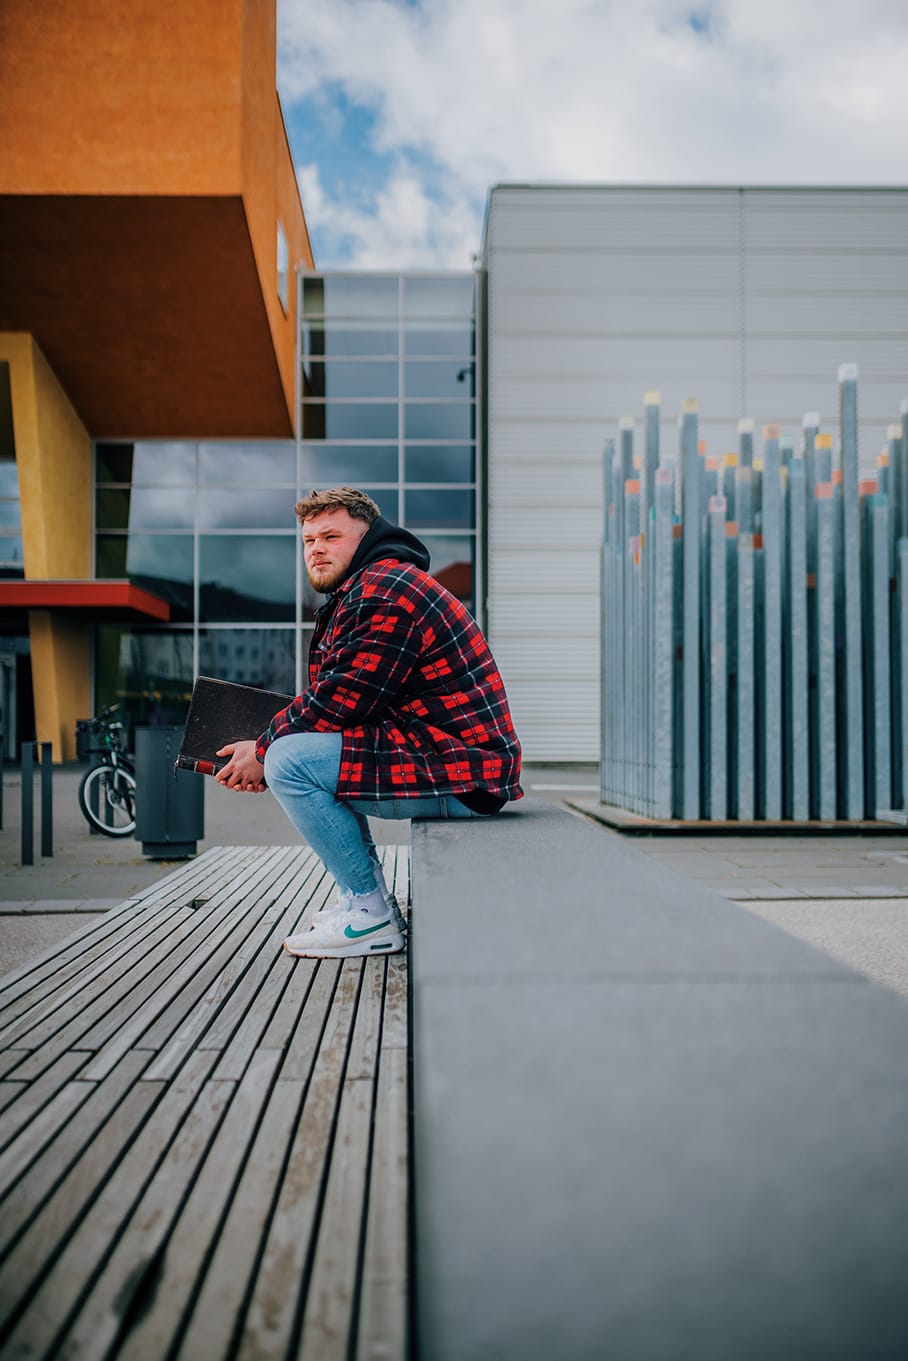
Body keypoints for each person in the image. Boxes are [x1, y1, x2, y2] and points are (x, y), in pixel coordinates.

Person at [214, 486, 523, 959]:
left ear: (366, 537)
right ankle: (364, 899)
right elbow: (341, 703)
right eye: (308, 540)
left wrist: (262, 751)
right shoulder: (367, 588)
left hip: (465, 773)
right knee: (297, 755)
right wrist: (265, 748)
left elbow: (341, 701)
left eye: (330, 536)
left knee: (289, 761)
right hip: (450, 760)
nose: (316, 548)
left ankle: (370, 913)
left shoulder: (384, 590)